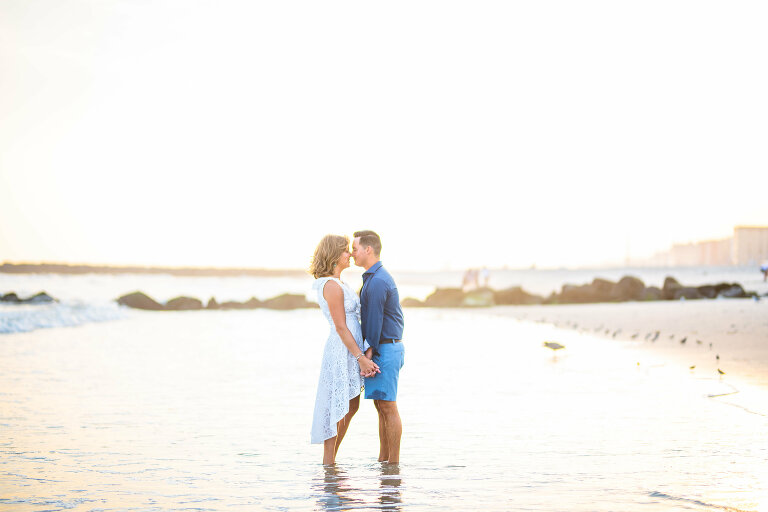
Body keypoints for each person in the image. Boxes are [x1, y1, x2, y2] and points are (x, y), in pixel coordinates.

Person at [309, 234, 380, 465]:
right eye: (345, 250)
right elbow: (340, 327)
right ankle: (328, 462)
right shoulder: (330, 285)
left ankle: (331, 461)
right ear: (333, 255)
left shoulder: (339, 283)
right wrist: (360, 357)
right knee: (339, 403)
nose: (349, 254)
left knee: (351, 404)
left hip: (351, 349)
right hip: (342, 350)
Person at [351, 230, 405, 464]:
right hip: (384, 347)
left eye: (355, 248)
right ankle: (384, 461)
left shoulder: (378, 281)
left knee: (388, 406)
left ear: (368, 250)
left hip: (384, 348)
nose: (352, 253)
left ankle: (392, 465)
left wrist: (367, 352)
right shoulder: (374, 277)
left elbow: (373, 321)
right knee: (381, 407)